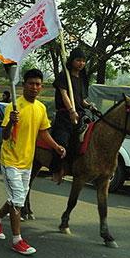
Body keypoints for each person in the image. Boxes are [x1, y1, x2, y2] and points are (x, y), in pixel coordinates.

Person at [0, 69, 66, 256]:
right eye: (31, 83)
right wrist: (10, 123)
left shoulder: (40, 108)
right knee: (18, 200)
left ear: (42, 87)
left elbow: (43, 132)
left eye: (38, 84)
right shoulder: (13, 107)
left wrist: (56, 147)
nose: (35, 87)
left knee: (17, 197)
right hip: (10, 160)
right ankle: (17, 240)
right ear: (24, 85)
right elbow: (5, 136)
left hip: (27, 161)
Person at [49, 47, 92, 184]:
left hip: (81, 115)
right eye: (78, 60)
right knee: (62, 141)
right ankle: (56, 170)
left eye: (83, 61)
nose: (81, 63)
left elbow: (81, 100)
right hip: (65, 115)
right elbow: (64, 95)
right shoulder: (64, 76)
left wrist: (89, 106)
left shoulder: (83, 78)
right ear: (72, 61)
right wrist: (71, 111)